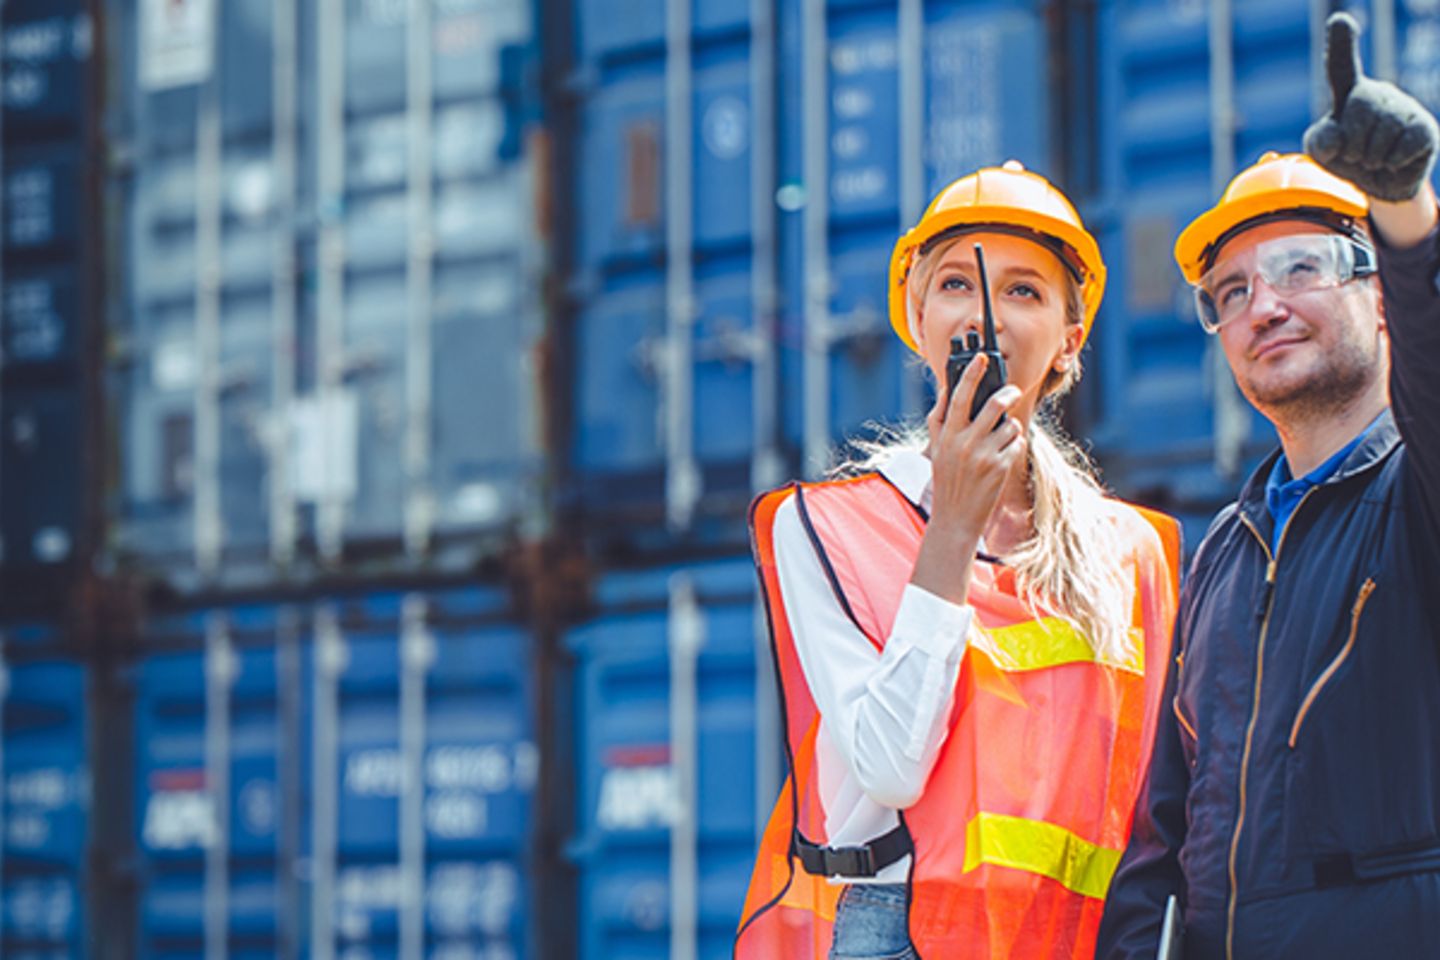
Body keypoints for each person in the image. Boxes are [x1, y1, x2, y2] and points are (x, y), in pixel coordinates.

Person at [732, 161, 1181, 959]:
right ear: (919, 320)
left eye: (1023, 291)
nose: (983, 315)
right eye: (954, 285)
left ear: (1070, 338)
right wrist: (952, 529)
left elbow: (1152, 791)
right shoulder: (828, 525)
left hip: (1084, 935)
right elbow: (890, 770)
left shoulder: (1130, 552)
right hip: (897, 930)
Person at [1096, 13, 1440, 959]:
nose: (1265, 305)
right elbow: (1166, 829)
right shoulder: (1225, 553)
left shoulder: (1418, 494)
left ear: (1379, 293)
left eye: (1303, 266)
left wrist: (1407, 214)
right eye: (1232, 289)